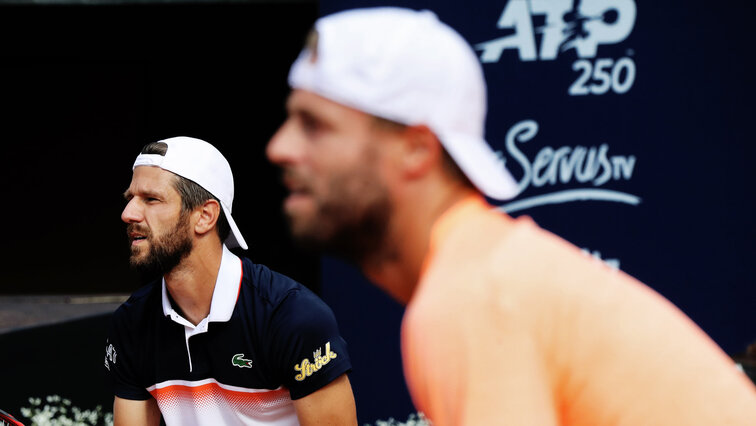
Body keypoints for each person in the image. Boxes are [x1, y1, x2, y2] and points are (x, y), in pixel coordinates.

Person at [265, 7, 756, 425]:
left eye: (314, 126)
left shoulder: (472, 295)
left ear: (417, 149)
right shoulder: (481, 274)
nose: (279, 147)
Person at [106, 136, 357, 425]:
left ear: (205, 215)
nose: (128, 214)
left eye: (151, 199)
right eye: (130, 199)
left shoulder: (292, 316)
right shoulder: (131, 322)